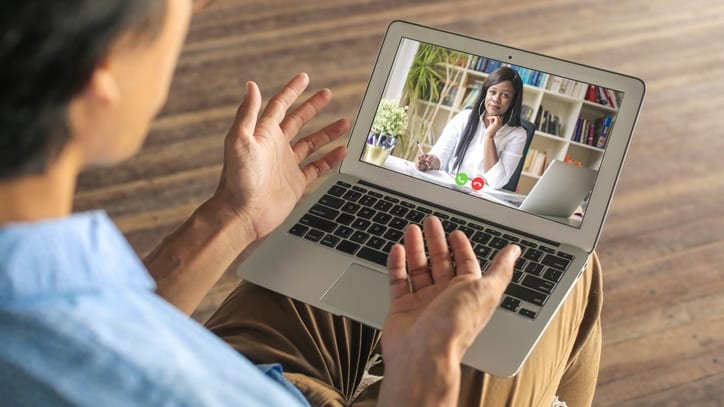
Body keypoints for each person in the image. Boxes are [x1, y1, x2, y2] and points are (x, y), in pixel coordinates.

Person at [0, 1, 603, 406]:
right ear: (101, 72)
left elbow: (104, 324)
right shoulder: (163, 386)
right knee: (566, 274)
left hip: (252, 368)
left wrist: (233, 217)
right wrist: (426, 374)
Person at [415, 66, 528, 190]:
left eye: (505, 95)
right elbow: (440, 155)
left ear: (513, 101)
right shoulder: (463, 118)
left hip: (483, 199)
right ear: (486, 93)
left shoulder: (517, 135)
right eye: (493, 92)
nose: (496, 99)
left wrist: (489, 136)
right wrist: (429, 161)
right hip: (452, 188)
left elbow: (497, 182)